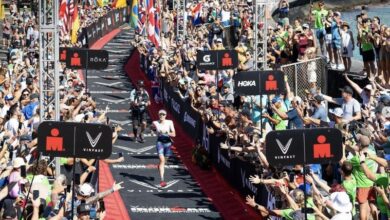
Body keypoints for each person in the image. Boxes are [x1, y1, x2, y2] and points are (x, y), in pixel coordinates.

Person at [151, 109, 176, 187]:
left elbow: (174, 134)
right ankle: (162, 180)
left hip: (168, 143)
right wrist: (153, 130)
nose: (162, 116)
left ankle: (160, 165)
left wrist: (167, 133)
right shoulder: (155, 122)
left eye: (163, 114)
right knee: (162, 160)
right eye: (160, 114)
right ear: (158, 115)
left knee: (164, 161)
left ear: (166, 115)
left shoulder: (170, 122)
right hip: (160, 143)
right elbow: (151, 128)